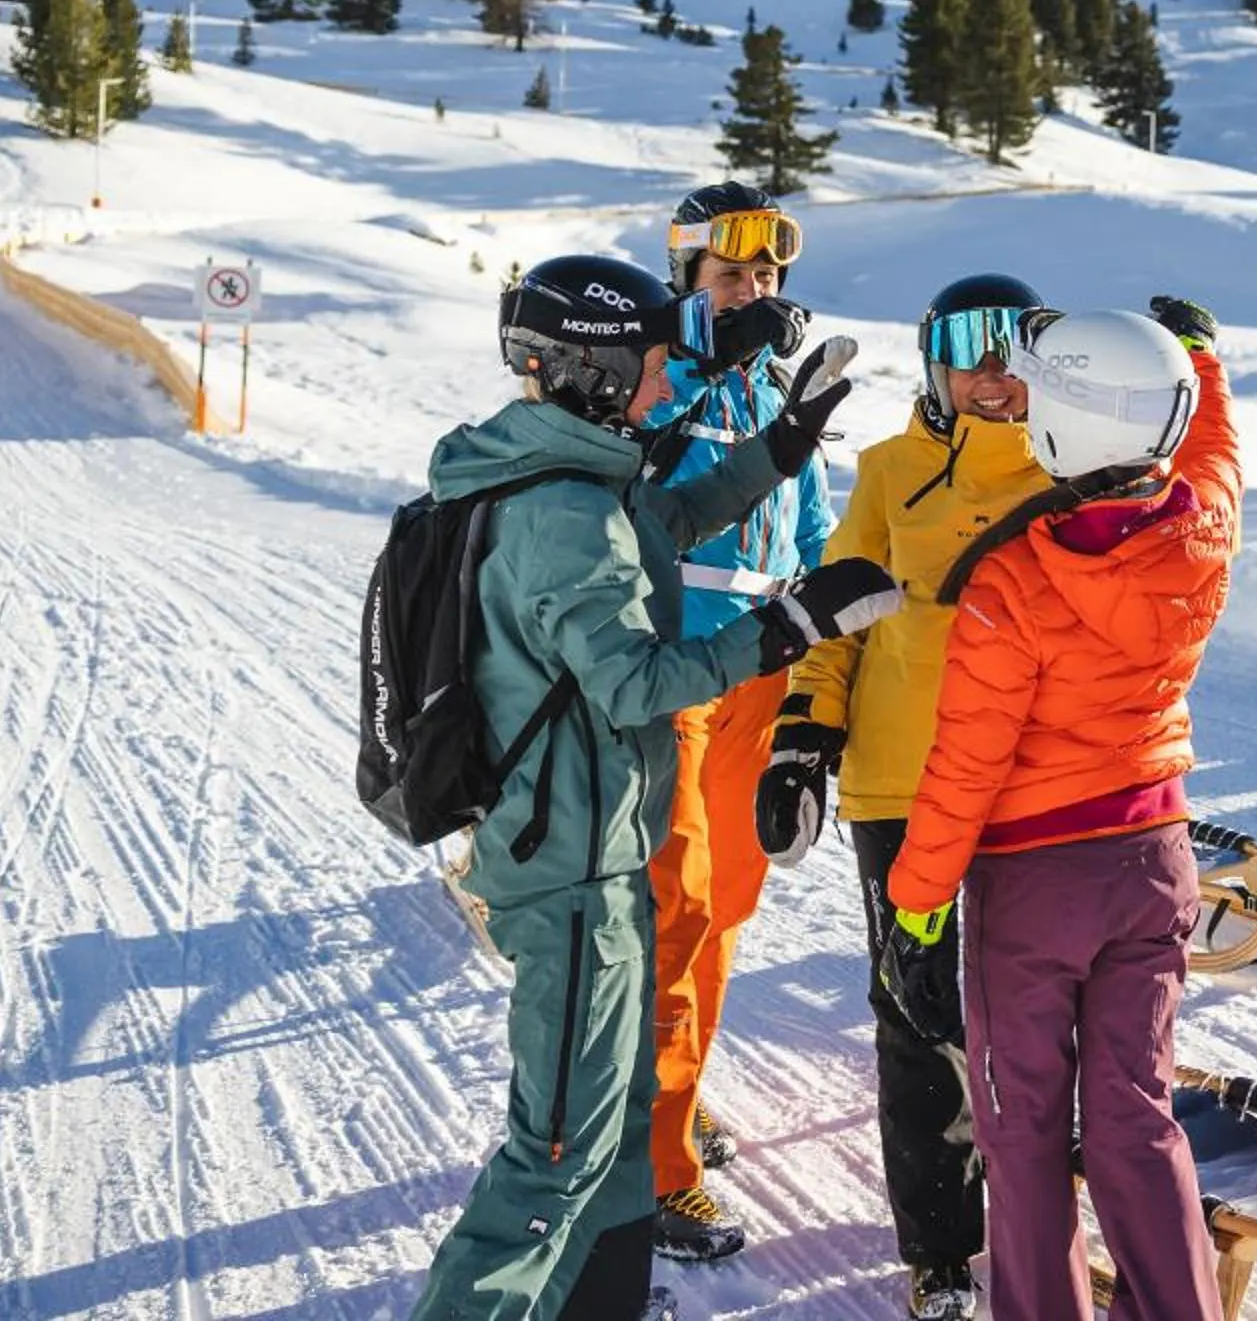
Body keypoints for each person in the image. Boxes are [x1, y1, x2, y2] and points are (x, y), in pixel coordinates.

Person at [409, 254, 899, 1321]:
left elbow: (664, 523)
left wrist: (784, 446)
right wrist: (789, 628)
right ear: (592, 367)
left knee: (618, 1120)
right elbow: (634, 678)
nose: (664, 383)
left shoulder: (573, 477)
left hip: (603, 853)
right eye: (651, 364)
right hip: (574, 871)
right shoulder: (563, 514)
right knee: (555, 1159)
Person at [879, 297, 1237, 1321]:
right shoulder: (1201, 526)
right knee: (1137, 1113)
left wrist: (916, 897)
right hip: (1153, 860)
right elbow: (1215, 451)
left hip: (1035, 884)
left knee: (1023, 1127)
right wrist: (1202, 363)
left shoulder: (1013, 580)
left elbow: (967, 761)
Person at [756, 272, 1053, 1321]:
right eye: (968, 346)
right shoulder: (889, 471)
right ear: (932, 357)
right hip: (901, 784)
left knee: (1033, 1011)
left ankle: (1041, 1215)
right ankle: (941, 1250)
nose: (992, 370)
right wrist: (802, 736)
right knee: (919, 1012)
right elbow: (836, 614)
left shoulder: (1074, 469)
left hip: (1035, 790)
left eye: (1016, 345)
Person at [638, 183, 837, 1264]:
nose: (755, 290)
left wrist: (815, 693)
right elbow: (632, 468)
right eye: (730, 273)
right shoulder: (658, 367)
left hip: (758, 671)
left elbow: (807, 529)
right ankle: (656, 1163)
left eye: (767, 274)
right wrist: (702, 359)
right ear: (687, 282)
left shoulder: (777, 385)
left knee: (730, 905)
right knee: (679, 901)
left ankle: (673, 1099)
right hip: (671, 670)